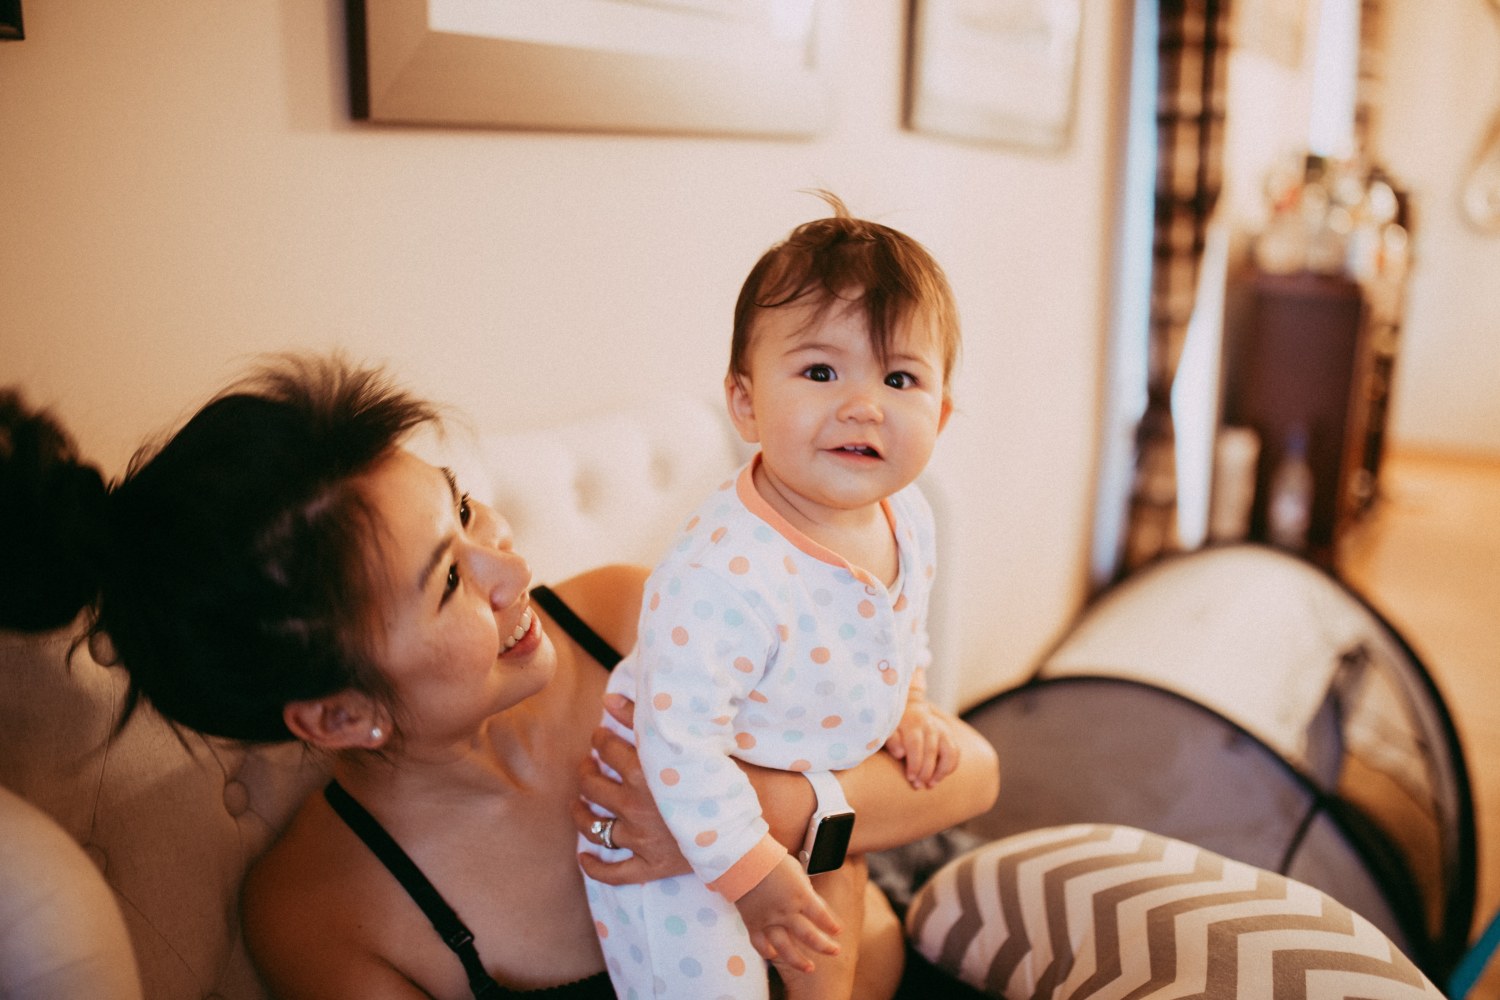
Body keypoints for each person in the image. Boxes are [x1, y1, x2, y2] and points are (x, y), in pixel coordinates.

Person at [0, 357, 1000, 999]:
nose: (512, 570)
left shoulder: (615, 617)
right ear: (343, 712)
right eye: (447, 579)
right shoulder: (330, 911)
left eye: (466, 508)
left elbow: (962, 777)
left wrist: (757, 811)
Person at [581, 193, 970, 1000]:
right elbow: (678, 743)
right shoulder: (723, 573)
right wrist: (753, 875)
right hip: (680, 824)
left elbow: (898, 632)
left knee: (849, 962)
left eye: (900, 378)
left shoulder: (910, 515)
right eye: (821, 371)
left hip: (804, 799)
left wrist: (912, 707)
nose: (863, 404)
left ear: (942, 411)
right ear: (746, 402)